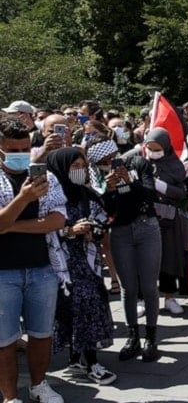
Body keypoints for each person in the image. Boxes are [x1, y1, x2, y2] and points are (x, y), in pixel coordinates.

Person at [0, 119, 67, 403]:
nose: (20, 155)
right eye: (12, 150)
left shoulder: (45, 177)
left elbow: (57, 220)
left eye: (26, 149)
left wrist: (10, 225)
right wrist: (23, 201)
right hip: (3, 273)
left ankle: (39, 384)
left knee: (42, 334)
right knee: (5, 340)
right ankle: (10, 400)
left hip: (42, 269)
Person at [46, 147, 116, 385]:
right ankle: (83, 359)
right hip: (59, 263)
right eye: (74, 166)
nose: (80, 171)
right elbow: (45, 228)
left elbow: (102, 221)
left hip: (86, 262)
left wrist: (92, 232)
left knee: (88, 305)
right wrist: (68, 231)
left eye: (82, 166)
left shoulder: (86, 194)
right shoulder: (50, 196)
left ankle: (88, 359)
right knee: (73, 309)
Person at [102, 130, 163, 363]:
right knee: (128, 287)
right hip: (120, 231)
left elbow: (150, 195)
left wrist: (129, 182)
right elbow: (106, 209)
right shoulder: (98, 175)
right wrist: (109, 190)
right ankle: (132, 336)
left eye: (111, 160)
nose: (109, 165)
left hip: (146, 226)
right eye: (103, 163)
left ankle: (151, 337)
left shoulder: (139, 164)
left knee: (149, 286)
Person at [134, 128, 188, 317]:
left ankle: (169, 297)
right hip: (141, 218)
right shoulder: (138, 161)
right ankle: (141, 299)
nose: (153, 152)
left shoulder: (175, 165)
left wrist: (161, 186)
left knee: (168, 259)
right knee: (142, 260)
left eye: (157, 148)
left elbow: (181, 192)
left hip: (166, 219)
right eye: (150, 148)